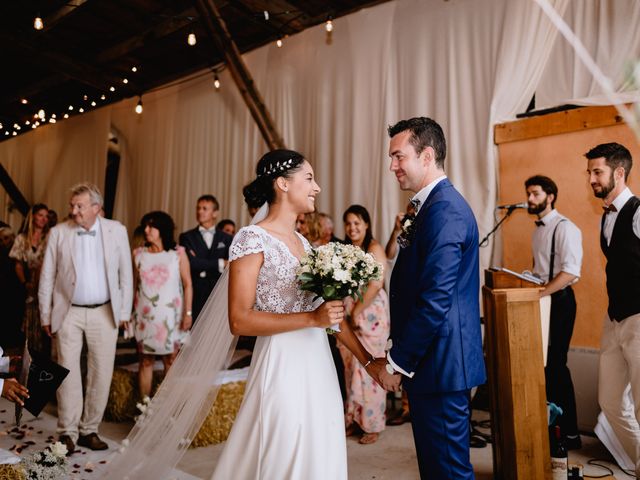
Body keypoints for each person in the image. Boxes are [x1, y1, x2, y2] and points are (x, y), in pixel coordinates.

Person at [211, 149, 384, 479]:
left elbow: (329, 315)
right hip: (281, 363)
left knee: (320, 448)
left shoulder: (305, 244)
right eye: (309, 178)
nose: (317, 187)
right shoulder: (252, 239)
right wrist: (311, 320)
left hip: (317, 363)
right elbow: (239, 319)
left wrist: (367, 361)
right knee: (283, 450)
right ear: (282, 184)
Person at [377, 117, 486, 479]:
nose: (392, 166)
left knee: (449, 472)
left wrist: (397, 361)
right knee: (436, 469)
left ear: (426, 156)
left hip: (441, 363)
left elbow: (436, 298)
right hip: (434, 363)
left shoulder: (446, 210)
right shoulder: (430, 207)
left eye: (398, 156)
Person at [39, 182, 133, 455]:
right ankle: (66, 432)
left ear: (96, 208)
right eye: (72, 205)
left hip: (105, 312)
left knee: (101, 372)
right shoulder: (59, 232)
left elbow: (126, 276)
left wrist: (124, 312)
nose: (74, 210)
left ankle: (89, 430)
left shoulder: (117, 230)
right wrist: (46, 314)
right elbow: (47, 276)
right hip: (68, 312)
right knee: (66, 371)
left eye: (79, 206)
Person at [585, 142, 640, 475]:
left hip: (639, 318)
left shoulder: (638, 211)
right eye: (590, 172)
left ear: (619, 173)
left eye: (597, 171)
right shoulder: (605, 217)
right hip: (613, 318)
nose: (591, 178)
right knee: (609, 401)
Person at [525, 175, 583, 449]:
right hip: (544, 300)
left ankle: (570, 433)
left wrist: (541, 292)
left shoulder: (565, 228)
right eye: (528, 194)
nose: (530, 199)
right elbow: (541, 269)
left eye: (535, 194)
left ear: (551, 196)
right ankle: (551, 429)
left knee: (557, 366)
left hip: (559, 302)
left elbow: (571, 271)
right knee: (544, 367)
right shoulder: (538, 230)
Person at [338, 204, 390, 444]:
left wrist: (356, 312)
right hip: (349, 313)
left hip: (370, 314)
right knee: (351, 369)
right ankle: (355, 420)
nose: (352, 227)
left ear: (366, 224)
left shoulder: (374, 248)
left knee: (371, 368)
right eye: (348, 223)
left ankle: (372, 424)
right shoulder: (345, 250)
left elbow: (376, 284)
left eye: (357, 222)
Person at [133, 211, 193, 399]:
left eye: (151, 226)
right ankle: (143, 408)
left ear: (163, 229)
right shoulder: (138, 254)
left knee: (171, 360)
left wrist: (188, 313)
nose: (146, 230)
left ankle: (166, 410)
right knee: (145, 361)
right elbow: (134, 286)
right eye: (145, 226)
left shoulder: (177, 253)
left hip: (170, 317)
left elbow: (188, 284)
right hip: (145, 318)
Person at [179, 195, 232, 323]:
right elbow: (191, 264)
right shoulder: (187, 237)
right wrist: (220, 262)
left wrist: (201, 263)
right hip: (195, 293)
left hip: (218, 293)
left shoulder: (227, 238)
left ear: (215, 213)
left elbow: (230, 265)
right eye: (198, 208)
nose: (199, 212)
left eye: (204, 208)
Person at [9, 203, 51, 357]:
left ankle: (44, 357)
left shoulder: (50, 237)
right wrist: (24, 283)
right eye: (40, 215)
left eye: (46, 216)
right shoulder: (22, 238)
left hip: (46, 284)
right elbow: (18, 264)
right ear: (33, 216)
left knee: (44, 320)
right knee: (28, 321)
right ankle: (30, 357)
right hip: (28, 285)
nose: (43, 219)